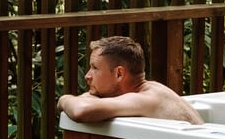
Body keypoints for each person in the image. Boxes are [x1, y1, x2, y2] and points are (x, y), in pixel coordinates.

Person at [57, 36, 204, 125]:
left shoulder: (145, 99)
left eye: (95, 68)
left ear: (119, 74)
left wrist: (64, 99)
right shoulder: (152, 89)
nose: (87, 76)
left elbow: (81, 111)